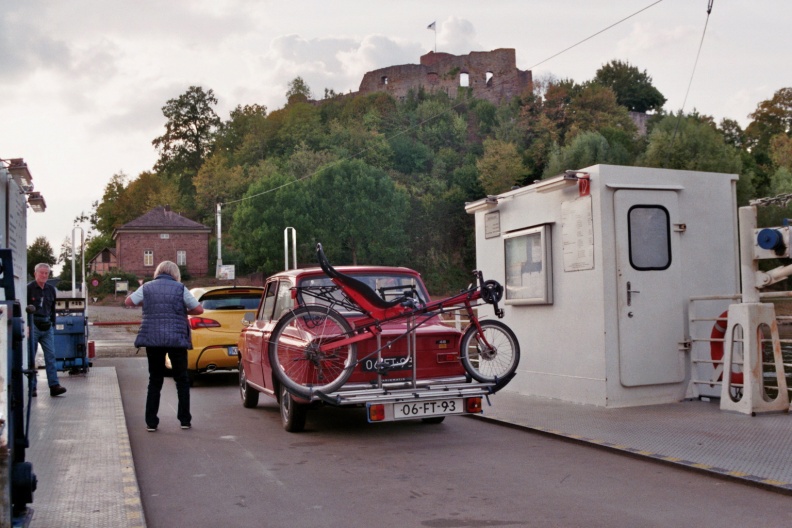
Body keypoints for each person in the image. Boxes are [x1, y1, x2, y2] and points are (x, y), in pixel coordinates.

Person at [125, 261, 203, 432]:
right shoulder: (180, 288)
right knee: (181, 380)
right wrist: (183, 310)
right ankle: (184, 420)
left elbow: (129, 301)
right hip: (176, 340)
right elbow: (198, 309)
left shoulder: (147, 287)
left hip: (153, 340)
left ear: (158, 272)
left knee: (155, 380)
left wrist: (148, 306)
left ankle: (151, 422)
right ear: (175, 273)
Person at [27, 263, 67, 397]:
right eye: (41, 273)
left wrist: (53, 324)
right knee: (31, 358)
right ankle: (32, 387)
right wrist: (27, 325)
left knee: (50, 356)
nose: (44, 275)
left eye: (46, 273)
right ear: (35, 274)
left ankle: (54, 386)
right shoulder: (28, 289)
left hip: (47, 325)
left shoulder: (51, 289)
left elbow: (53, 309)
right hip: (33, 325)